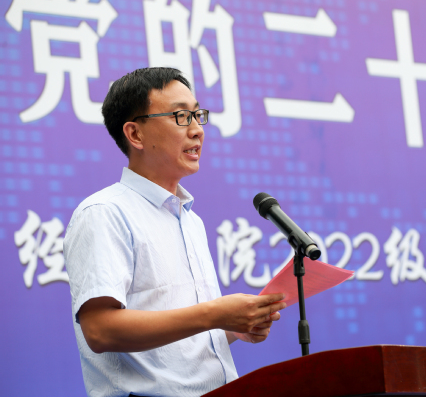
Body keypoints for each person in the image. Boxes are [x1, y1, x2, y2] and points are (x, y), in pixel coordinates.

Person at [64, 67, 286, 397]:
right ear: (135, 134)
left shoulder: (190, 219)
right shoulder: (105, 213)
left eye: (198, 115)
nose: (197, 130)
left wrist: (231, 328)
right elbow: (100, 330)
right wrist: (215, 314)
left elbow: (175, 340)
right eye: (181, 116)